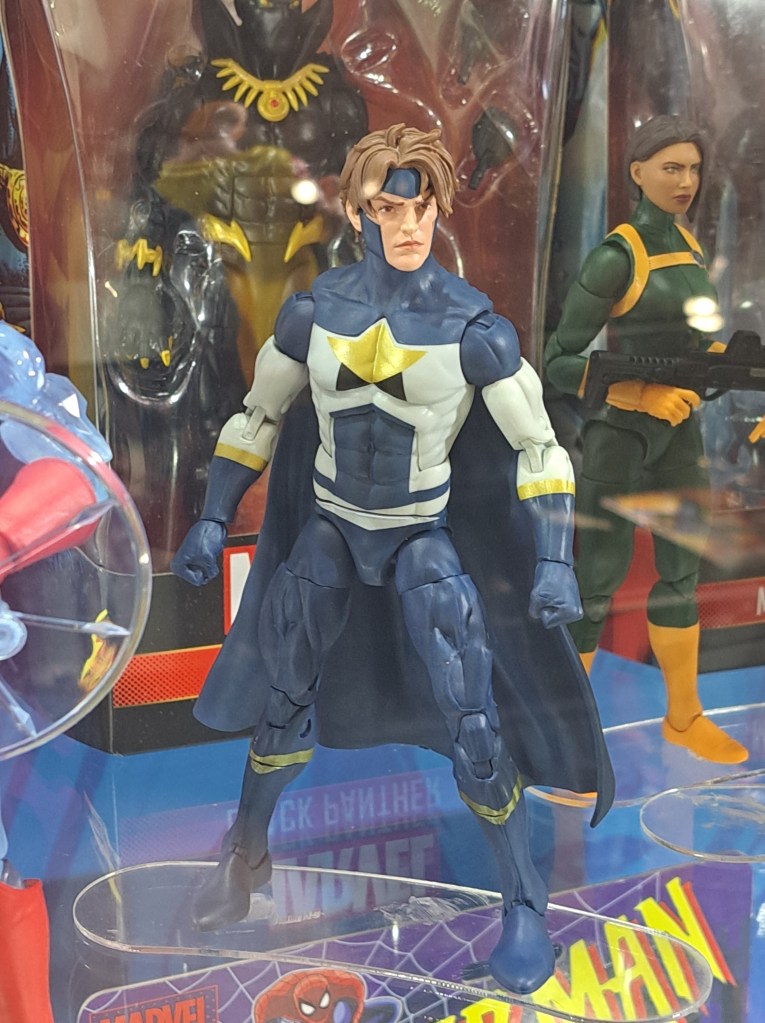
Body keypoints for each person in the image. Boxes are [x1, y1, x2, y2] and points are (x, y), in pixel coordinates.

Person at [173, 124, 613, 996]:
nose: (408, 225)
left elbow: (539, 448)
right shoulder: (314, 314)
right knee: (283, 697)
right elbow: (257, 417)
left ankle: (524, 902)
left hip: (419, 535)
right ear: (355, 211)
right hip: (331, 530)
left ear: (438, 207)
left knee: (474, 722)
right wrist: (212, 518)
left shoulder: (473, 330)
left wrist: (554, 558)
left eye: (421, 207)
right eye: (387, 207)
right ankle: (245, 853)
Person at [544, 114, 748, 765]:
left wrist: (717, 366)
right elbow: (557, 360)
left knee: (681, 575)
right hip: (619, 439)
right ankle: (569, 733)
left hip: (679, 437)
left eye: (693, 169)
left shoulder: (688, 247)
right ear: (637, 172)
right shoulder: (617, 256)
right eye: (671, 168)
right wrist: (638, 394)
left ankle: (683, 717)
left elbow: (694, 341)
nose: (685, 181)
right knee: (596, 581)